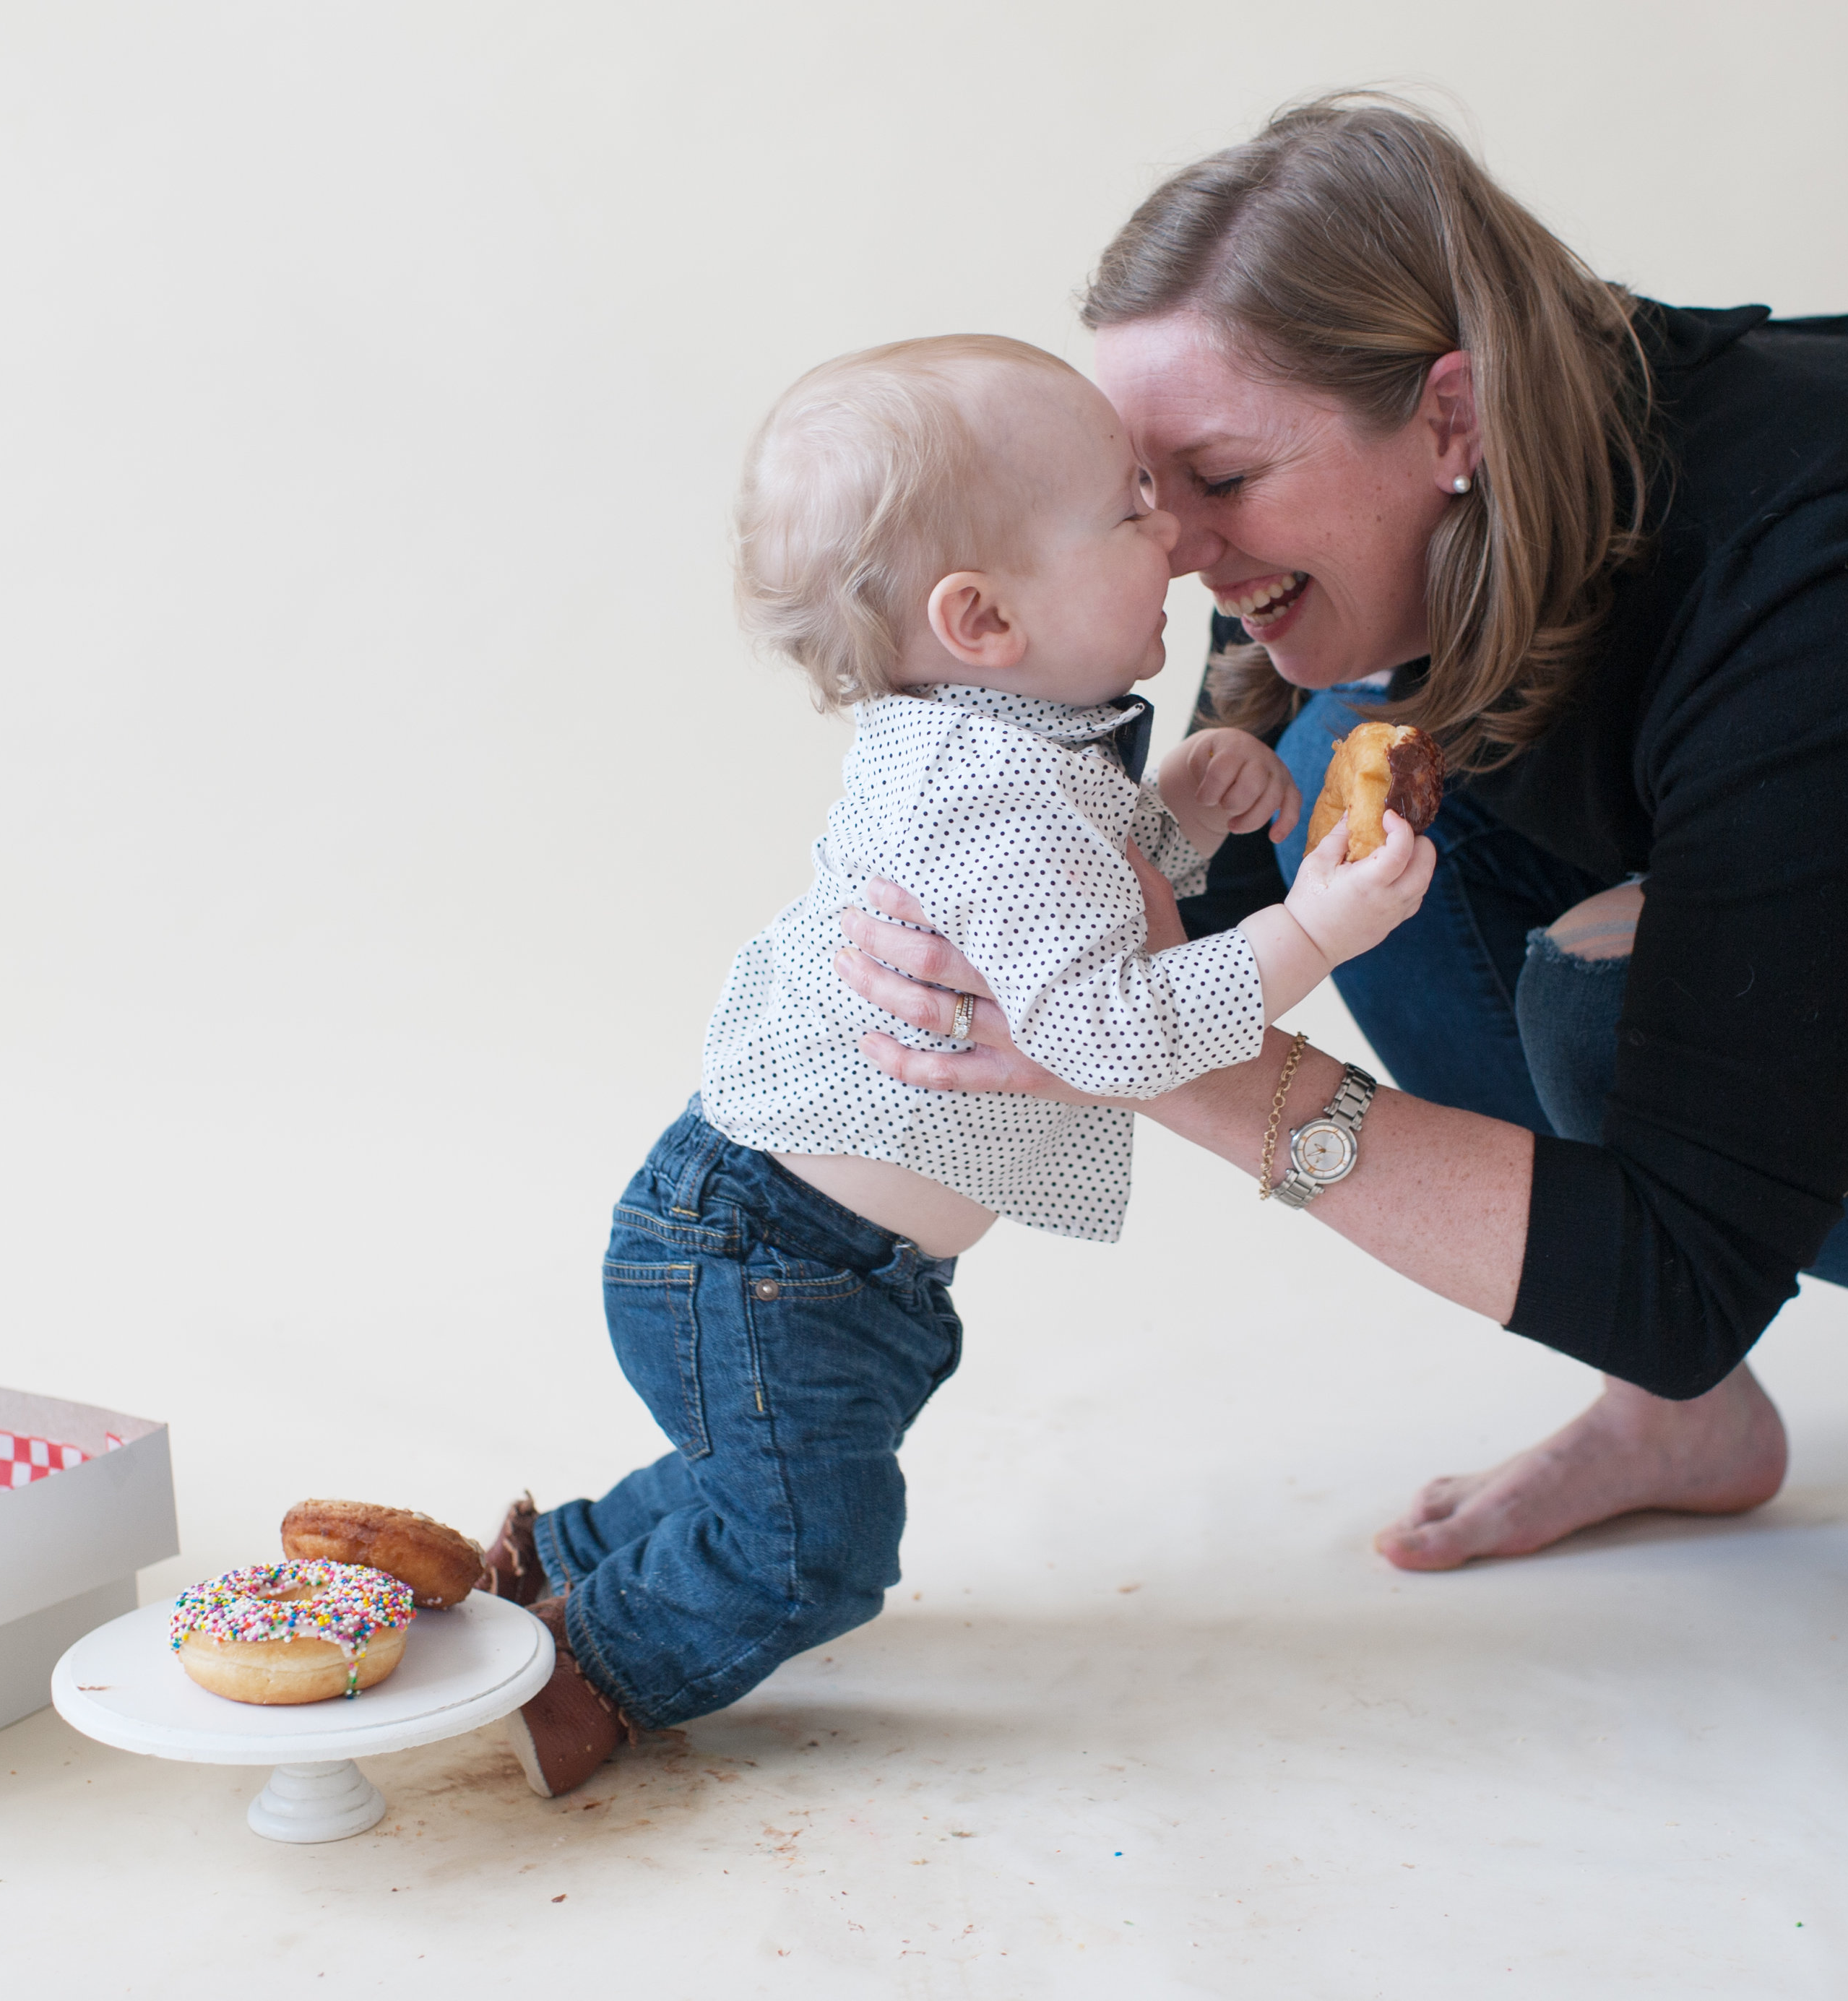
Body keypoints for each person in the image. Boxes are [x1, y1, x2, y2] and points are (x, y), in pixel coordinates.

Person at [837, 94, 1848, 1619]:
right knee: (1332, 785)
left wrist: (1146, 1055)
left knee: (1604, 999)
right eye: (1144, 497)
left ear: (1451, 416)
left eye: (1217, 480)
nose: (1177, 552)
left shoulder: (1825, 552)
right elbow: (1214, 906)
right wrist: (1019, 933)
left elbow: (1690, 1273)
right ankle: (1683, 1422)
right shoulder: (1365, 506)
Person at [488, 334, 1433, 1797]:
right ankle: (577, 1674)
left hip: (800, 1257)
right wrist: (1312, 927)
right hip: (766, 1260)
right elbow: (1102, 1029)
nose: (1177, 533)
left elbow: (1059, 913)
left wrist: (1171, 815)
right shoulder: (992, 793)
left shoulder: (1001, 744)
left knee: (768, 1479)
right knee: (815, 1546)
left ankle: (546, 1563)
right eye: (1130, 510)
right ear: (982, 614)